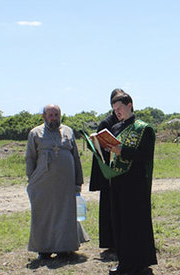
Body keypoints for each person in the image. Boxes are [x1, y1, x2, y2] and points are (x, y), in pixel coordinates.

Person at [25, 104, 88, 259]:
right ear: (44, 116)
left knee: (65, 213)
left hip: (65, 183)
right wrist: (32, 179)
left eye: (56, 115)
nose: (54, 118)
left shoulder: (68, 131)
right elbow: (30, 158)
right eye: (51, 115)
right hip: (43, 183)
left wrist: (78, 180)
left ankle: (64, 248)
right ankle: (44, 250)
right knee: (43, 214)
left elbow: (76, 157)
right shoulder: (35, 133)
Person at [105, 92, 157, 275]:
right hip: (118, 180)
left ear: (130, 105)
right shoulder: (117, 127)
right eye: (114, 110)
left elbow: (144, 156)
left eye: (119, 108)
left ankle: (140, 264)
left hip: (135, 182)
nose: (117, 112)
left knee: (135, 223)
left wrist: (122, 151)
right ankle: (124, 261)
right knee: (119, 222)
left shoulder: (145, 129)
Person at [89, 88, 125, 252]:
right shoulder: (106, 123)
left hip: (124, 170)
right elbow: (99, 148)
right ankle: (109, 243)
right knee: (108, 207)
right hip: (108, 170)